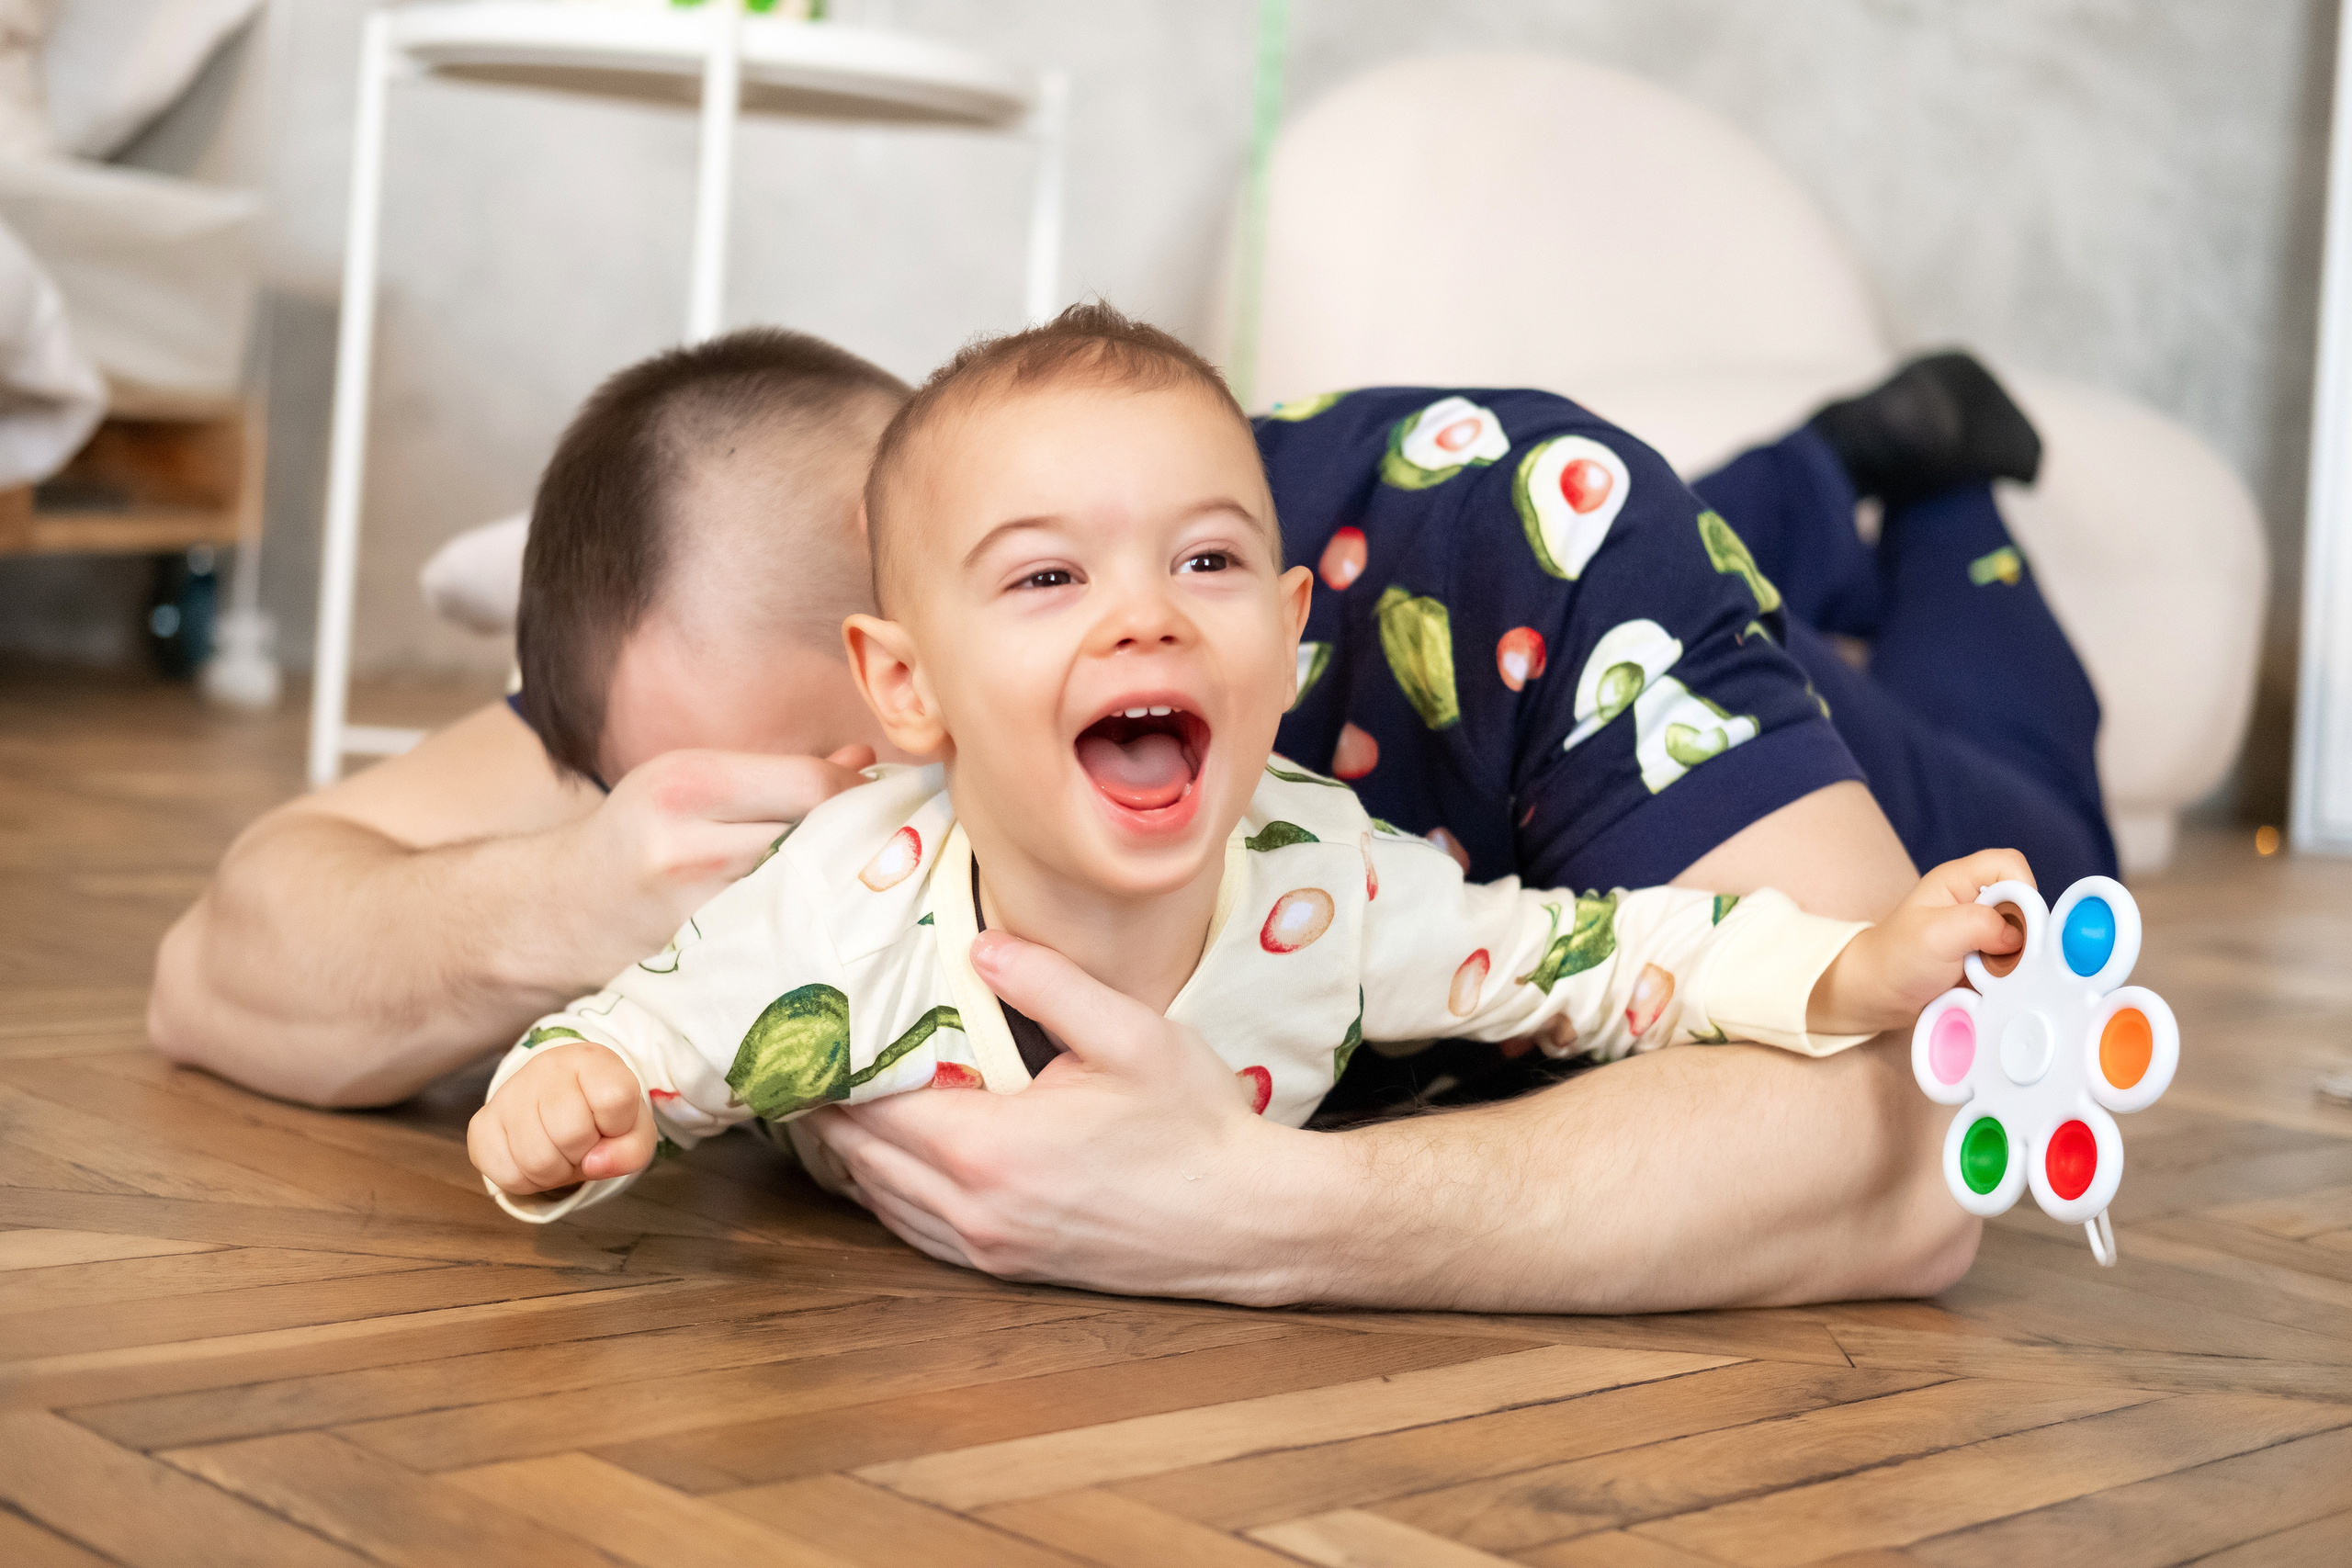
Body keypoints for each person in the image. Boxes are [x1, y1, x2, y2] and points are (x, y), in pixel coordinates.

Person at [151, 317, 2105, 1311]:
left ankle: (1922, 491)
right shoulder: (743, 682)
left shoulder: (1495, 529)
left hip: (1924, 793)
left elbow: (1917, 1148)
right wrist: (581, 901)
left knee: (1969, 683)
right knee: (1741, 539)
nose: (846, 828)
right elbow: (215, 965)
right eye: (762, 809)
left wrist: (1283, 1217)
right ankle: (1814, 468)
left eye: (855, 789)